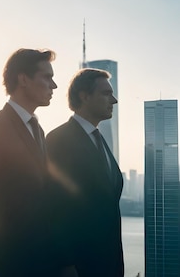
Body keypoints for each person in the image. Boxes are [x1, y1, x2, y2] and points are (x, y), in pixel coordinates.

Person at [0, 48, 64, 276]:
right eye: (47, 77)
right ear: (23, 79)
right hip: (6, 260)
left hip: (40, 260)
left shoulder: (38, 130)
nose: (54, 86)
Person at [46, 68, 124, 277]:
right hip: (79, 267)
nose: (114, 100)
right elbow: (54, 206)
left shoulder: (99, 141)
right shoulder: (58, 140)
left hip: (108, 265)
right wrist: (65, 263)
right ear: (84, 96)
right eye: (106, 93)